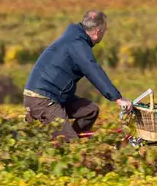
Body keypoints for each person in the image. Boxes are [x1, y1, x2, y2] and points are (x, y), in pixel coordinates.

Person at [23, 10, 131, 141]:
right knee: (69, 141)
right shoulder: (77, 44)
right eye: (104, 30)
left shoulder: (74, 38)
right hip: (42, 99)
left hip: (55, 95)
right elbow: (93, 71)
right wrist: (117, 99)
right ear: (98, 32)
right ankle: (67, 144)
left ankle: (68, 141)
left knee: (90, 111)